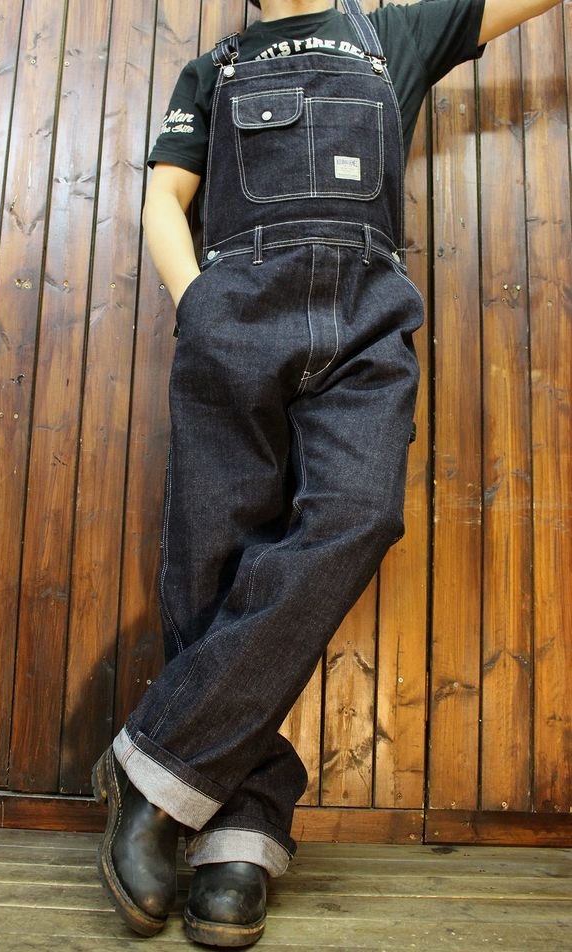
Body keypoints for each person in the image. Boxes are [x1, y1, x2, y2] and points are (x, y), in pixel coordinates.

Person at [92, 0, 563, 946]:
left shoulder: (397, 34)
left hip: (365, 322)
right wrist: (199, 304)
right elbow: (163, 198)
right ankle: (239, 836)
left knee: (359, 513)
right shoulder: (214, 69)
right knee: (211, 568)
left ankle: (154, 766)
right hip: (234, 311)